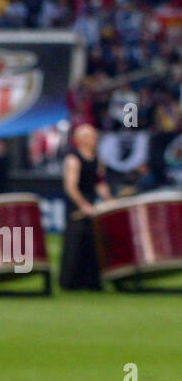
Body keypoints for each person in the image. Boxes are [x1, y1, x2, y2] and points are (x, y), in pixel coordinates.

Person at [59, 124, 111, 291]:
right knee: (76, 241)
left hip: (92, 204)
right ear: (80, 139)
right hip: (77, 206)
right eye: (91, 136)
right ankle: (70, 282)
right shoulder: (73, 159)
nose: (94, 139)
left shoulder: (98, 159)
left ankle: (92, 281)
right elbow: (70, 186)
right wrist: (83, 205)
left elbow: (100, 183)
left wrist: (108, 199)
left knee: (94, 241)